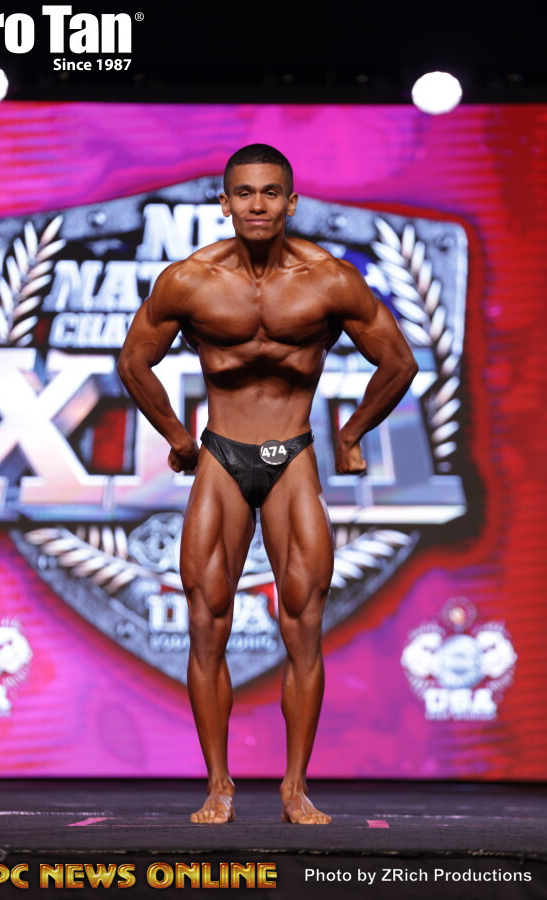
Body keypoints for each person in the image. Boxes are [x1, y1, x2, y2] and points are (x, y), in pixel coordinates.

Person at [117, 144, 418, 825]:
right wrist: (176, 437)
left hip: (295, 454)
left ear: (292, 201)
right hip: (222, 454)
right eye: (245, 192)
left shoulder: (330, 280)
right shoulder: (188, 281)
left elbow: (398, 362)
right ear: (224, 202)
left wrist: (351, 434)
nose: (258, 204)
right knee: (206, 622)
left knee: (303, 625)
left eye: (271, 192)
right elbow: (134, 361)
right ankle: (218, 785)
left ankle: (294, 787)